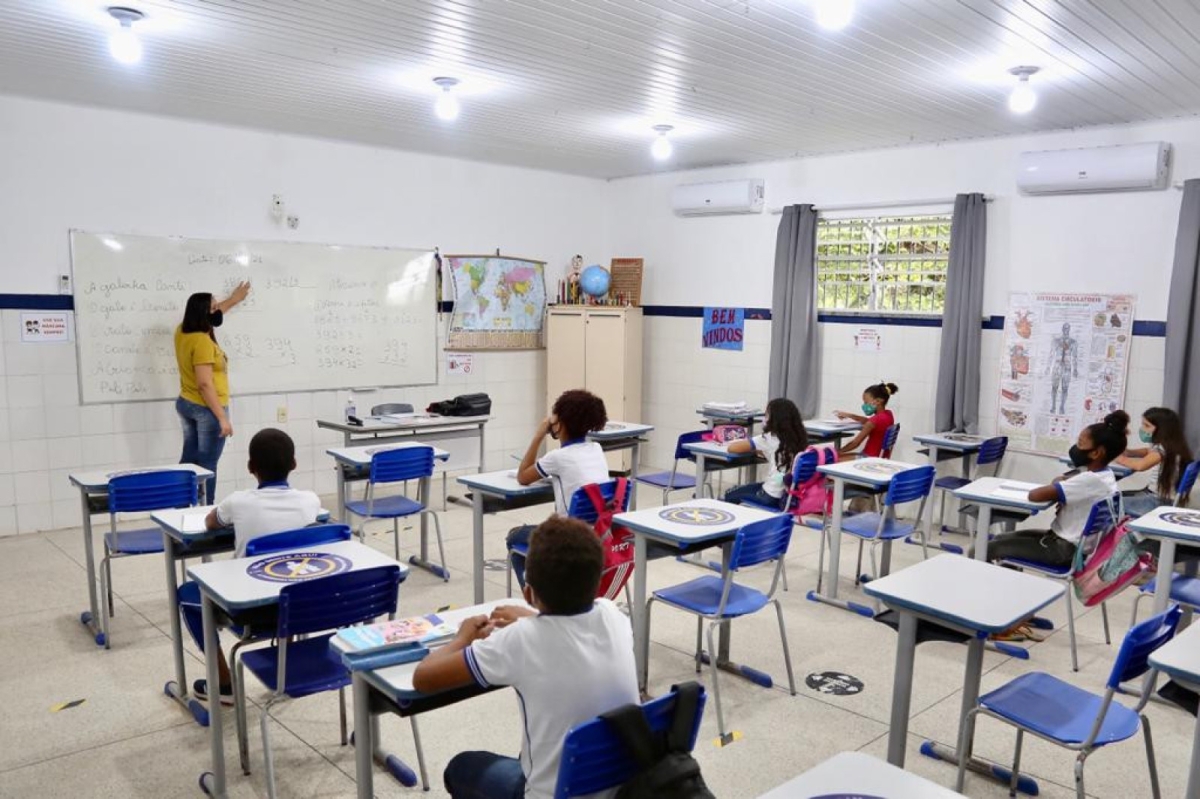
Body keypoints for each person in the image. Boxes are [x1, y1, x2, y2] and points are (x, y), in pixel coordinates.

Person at [413, 516, 639, 799]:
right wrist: (534, 617)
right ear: (597, 583)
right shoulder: (613, 615)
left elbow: (423, 678)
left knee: (460, 768)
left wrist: (463, 637)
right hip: (618, 788)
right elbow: (569, 635)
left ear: (529, 592)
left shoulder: (521, 639)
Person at [182, 427, 322, 703]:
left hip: (250, 611)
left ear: (250, 467)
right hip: (301, 607)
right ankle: (285, 664)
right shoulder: (311, 501)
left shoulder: (238, 501)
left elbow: (211, 522)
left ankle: (224, 683)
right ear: (294, 465)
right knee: (288, 569)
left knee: (187, 594)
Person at [987, 412, 1126, 571]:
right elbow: (1059, 480)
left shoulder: (1088, 480)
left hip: (1062, 550)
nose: (1076, 447)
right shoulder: (1105, 475)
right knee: (999, 539)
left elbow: (1035, 495)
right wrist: (1061, 489)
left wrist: (1060, 488)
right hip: (1069, 544)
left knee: (982, 549)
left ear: (1096, 453)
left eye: (1080, 443)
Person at [508, 389, 610, 586]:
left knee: (515, 536)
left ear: (560, 423)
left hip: (569, 540)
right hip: (599, 534)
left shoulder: (557, 457)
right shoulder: (596, 448)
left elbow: (523, 476)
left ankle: (538, 599)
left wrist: (539, 435)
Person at [175, 283, 250, 503]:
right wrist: (222, 418)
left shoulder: (182, 330)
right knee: (207, 466)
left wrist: (234, 299)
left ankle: (180, 506)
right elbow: (205, 384)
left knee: (189, 461)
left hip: (186, 403)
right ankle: (206, 512)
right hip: (206, 408)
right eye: (213, 307)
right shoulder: (202, 342)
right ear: (203, 314)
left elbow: (215, 313)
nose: (218, 311)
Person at [723, 397, 808, 509]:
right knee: (748, 488)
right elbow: (774, 453)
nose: (765, 418)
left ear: (774, 419)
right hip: (787, 494)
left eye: (767, 415)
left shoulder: (768, 438)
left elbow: (732, 448)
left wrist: (754, 448)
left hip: (770, 495)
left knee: (730, 494)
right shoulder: (798, 438)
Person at [1115, 407, 1194, 517]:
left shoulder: (1161, 450)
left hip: (1157, 502)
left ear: (1162, 429)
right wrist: (1129, 452)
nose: (1142, 429)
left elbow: (1140, 466)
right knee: (1117, 497)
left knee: (1109, 505)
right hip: (1164, 499)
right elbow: (1148, 451)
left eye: (1147, 426)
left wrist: (1117, 457)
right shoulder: (1173, 446)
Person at [834, 381, 899, 459]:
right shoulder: (888, 414)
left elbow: (855, 443)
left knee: (833, 460)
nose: (864, 405)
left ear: (878, 401)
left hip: (868, 458)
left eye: (866, 402)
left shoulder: (874, 421)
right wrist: (850, 415)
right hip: (880, 457)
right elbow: (869, 421)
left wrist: (836, 452)